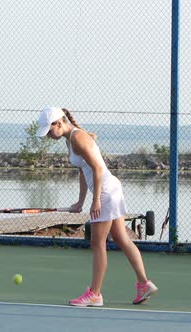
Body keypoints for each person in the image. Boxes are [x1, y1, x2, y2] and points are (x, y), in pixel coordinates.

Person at [35, 106, 158, 307]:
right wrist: (80, 202)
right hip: (110, 189)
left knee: (97, 243)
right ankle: (144, 283)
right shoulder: (70, 140)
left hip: (106, 192)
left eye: (49, 131)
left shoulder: (77, 138)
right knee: (120, 237)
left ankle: (95, 294)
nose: (48, 136)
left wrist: (96, 200)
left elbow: (98, 169)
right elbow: (84, 170)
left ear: (59, 123)